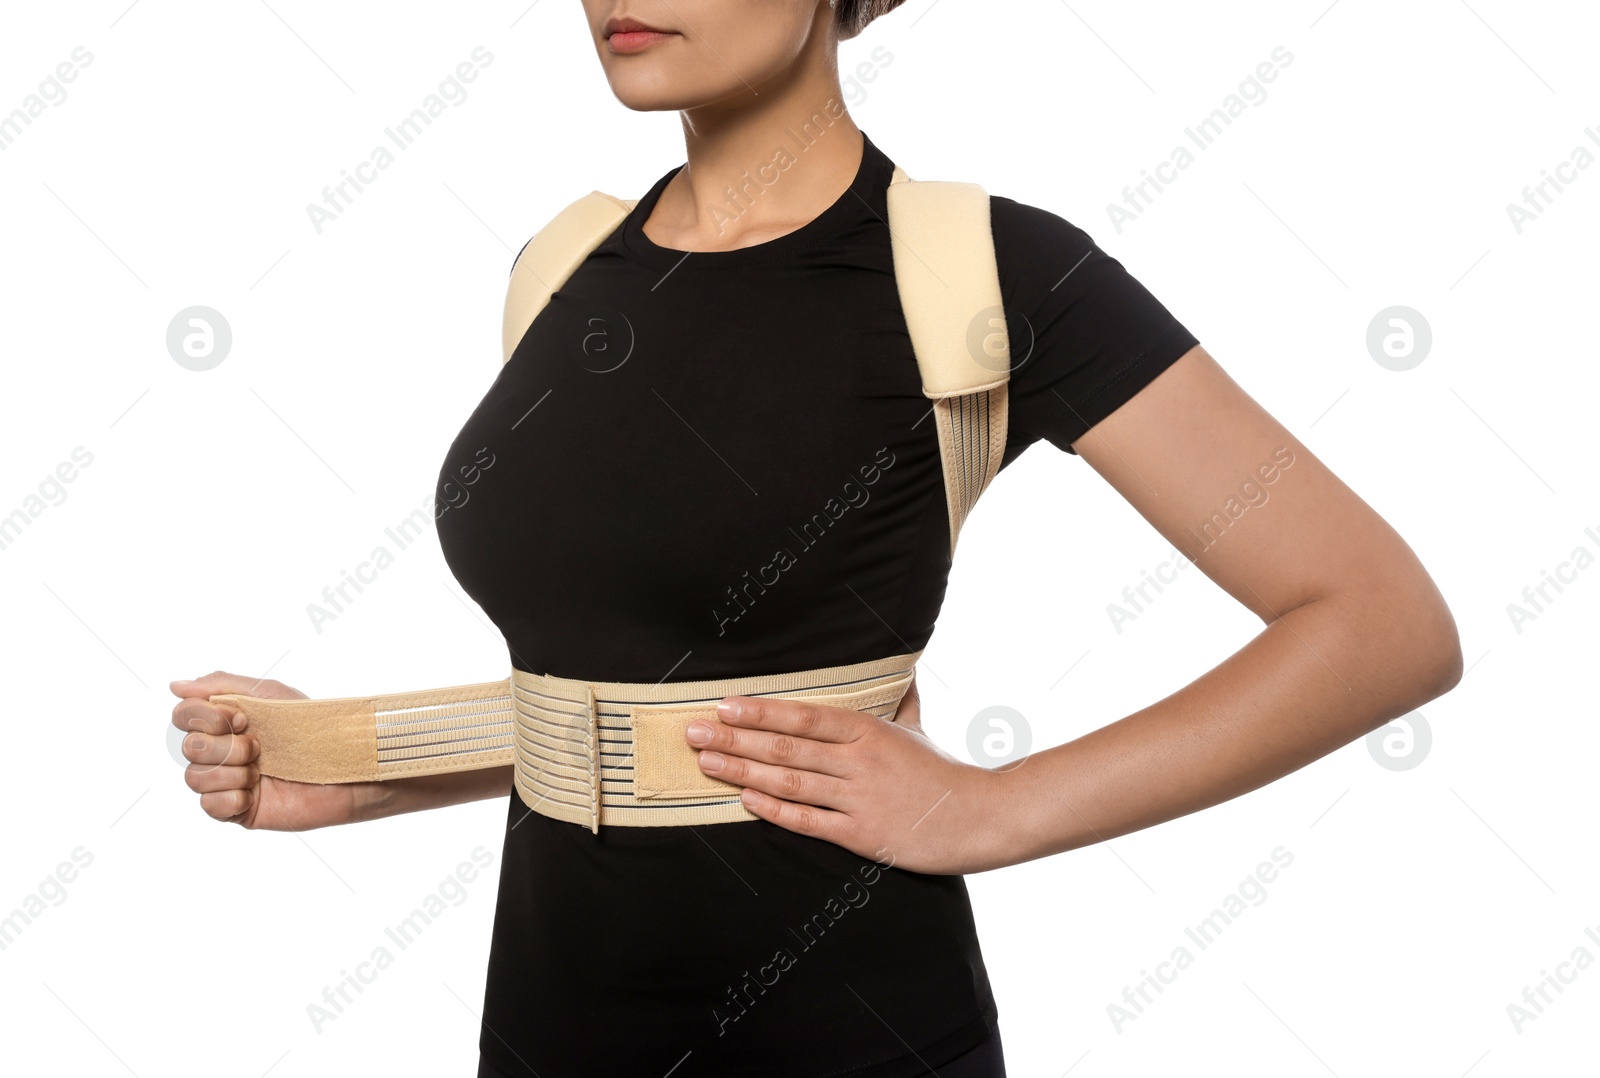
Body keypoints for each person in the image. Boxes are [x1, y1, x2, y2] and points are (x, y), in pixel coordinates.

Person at [169, 2, 1464, 1075]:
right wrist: (363, 768)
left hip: (851, 1029)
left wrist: (995, 805)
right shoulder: (561, 272)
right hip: (549, 1029)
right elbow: (640, 682)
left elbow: (1379, 620)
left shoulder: (985, 272)